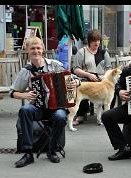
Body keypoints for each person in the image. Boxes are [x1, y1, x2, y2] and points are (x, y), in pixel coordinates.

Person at [9, 37, 80, 168]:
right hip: (38, 108)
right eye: (32, 48)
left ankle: (52, 150)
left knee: (60, 116)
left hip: (56, 107)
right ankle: (28, 153)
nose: (36, 51)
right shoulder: (26, 71)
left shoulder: (54, 65)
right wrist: (25, 94)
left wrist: (75, 82)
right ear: (27, 51)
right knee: (25, 110)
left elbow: (74, 79)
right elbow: (12, 92)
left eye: (38, 48)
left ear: (42, 49)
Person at [72, 29, 112, 126]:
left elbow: (109, 68)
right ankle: (80, 115)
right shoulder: (82, 52)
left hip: (101, 81)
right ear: (89, 41)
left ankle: (106, 115)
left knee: (110, 92)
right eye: (95, 40)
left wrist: (104, 77)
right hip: (86, 78)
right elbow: (76, 69)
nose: (97, 42)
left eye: (98, 40)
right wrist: (88, 75)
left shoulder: (104, 53)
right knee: (82, 87)